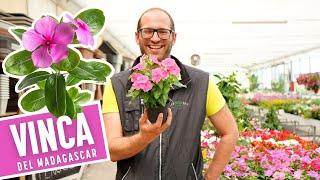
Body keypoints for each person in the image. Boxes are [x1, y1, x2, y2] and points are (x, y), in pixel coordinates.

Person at [102, 7, 239, 180]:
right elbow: (112, 150)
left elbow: (230, 132)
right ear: (137, 36)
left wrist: (210, 178)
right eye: (148, 31)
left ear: (174, 37)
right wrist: (144, 137)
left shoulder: (200, 83)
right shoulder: (118, 85)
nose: (155, 38)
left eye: (163, 32)